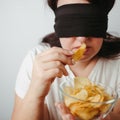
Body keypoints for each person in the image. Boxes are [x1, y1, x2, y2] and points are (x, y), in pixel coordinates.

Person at [11, 0, 120, 120]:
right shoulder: (36, 60)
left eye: (92, 23)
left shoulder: (117, 65)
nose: (82, 38)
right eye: (71, 22)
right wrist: (36, 91)